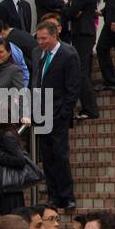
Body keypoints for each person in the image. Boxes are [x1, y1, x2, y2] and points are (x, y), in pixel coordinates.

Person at [33, 19, 83, 211]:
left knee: (60, 155)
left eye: (44, 38)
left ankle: (66, 195)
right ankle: (53, 195)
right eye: (38, 39)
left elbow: (73, 87)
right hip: (42, 113)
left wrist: (64, 113)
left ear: (54, 35)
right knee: (47, 157)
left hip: (58, 113)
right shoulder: (39, 54)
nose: (40, 42)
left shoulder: (68, 54)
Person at [66, 0, 100, 120]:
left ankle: (90, 108)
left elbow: (72, 11)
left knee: (82, 72)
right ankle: (88, 107)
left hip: (84, 33)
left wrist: (69, 6)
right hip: (83, 32)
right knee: (82, 71)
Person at [0, 117, 31, 216]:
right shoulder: (2, 135)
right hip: (6, 189)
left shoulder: (7, 136)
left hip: (9, 189)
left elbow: (19, 160)